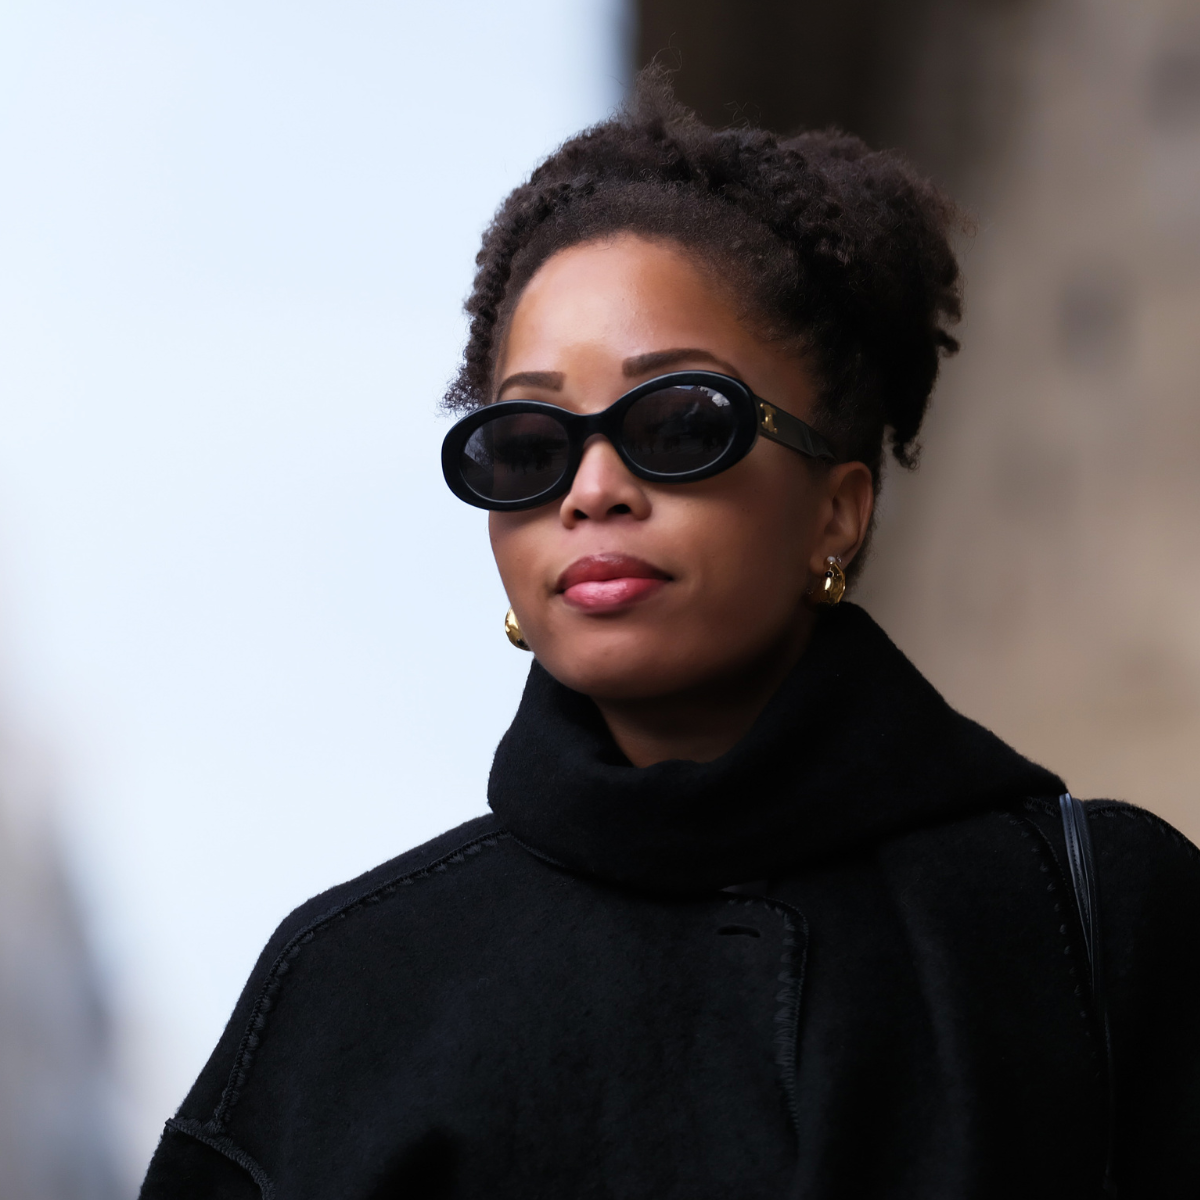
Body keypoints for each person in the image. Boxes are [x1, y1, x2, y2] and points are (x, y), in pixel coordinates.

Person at [140, 73, 1200, 1199]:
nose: (592, 489)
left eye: (678, 423)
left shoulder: (1101, 925)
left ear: (838, 510)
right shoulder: (349, 997)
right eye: (528, 446)